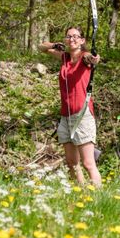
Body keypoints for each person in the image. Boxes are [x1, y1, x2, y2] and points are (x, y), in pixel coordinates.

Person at [39, 26, 102, 187]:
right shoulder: (64, 57)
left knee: (88, 163)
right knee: (72, 163)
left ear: (82, 40)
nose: (72, 39)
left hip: (82, 114)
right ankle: (80, 193)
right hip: (65, 116)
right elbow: (41, 47)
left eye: (76, 36)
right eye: (69, 36)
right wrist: (55, 45)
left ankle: (99, 196)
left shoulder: (84, 57)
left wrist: (94, 58)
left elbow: (93, 58)